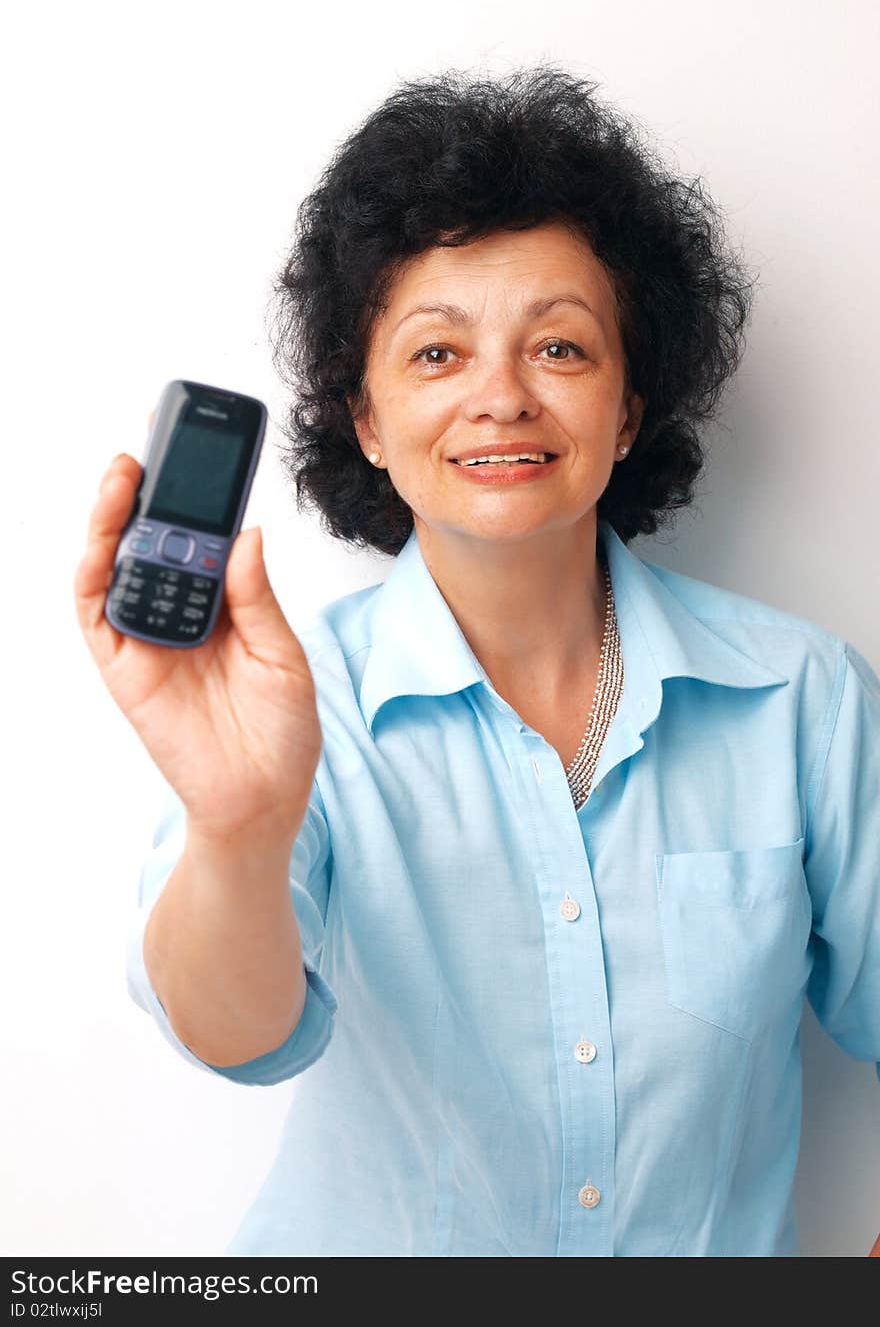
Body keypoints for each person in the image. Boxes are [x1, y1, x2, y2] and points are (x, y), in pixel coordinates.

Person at [74, 64, 880, 1258]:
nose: (499, 398)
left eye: (558, 347)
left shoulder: (801, 698)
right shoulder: (295, 701)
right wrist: (239, 824)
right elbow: (234, 1036)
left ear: (625, 407)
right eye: (437, 355)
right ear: (367, 421)